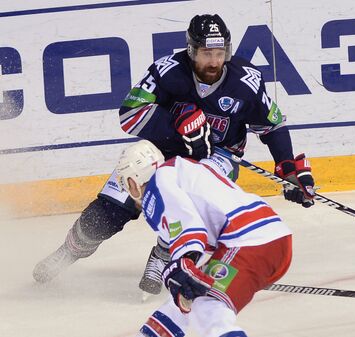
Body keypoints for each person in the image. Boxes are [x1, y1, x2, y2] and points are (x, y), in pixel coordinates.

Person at [32, 14, 314, 296]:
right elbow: (129, 114)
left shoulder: (247, 81)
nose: (214, 61)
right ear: (192, 51)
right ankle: (69, 250)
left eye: (219, 53)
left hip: (218, 155)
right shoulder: (168, 71)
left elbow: (273, 125)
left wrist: (288, 168)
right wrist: (176, 124)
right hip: (165, 147)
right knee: (111, 208)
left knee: (192, 194)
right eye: (206, 53)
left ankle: (164, 254)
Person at [118, 140, 292, 337]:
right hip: (268, 238)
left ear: (134, 180)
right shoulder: (186, 168)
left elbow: (188, 226)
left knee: (207, 307)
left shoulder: (157, 185)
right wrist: (188, 268)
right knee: (183, 301)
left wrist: (184, 261)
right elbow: (204, 232)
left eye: (127, 183)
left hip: (247, 240)